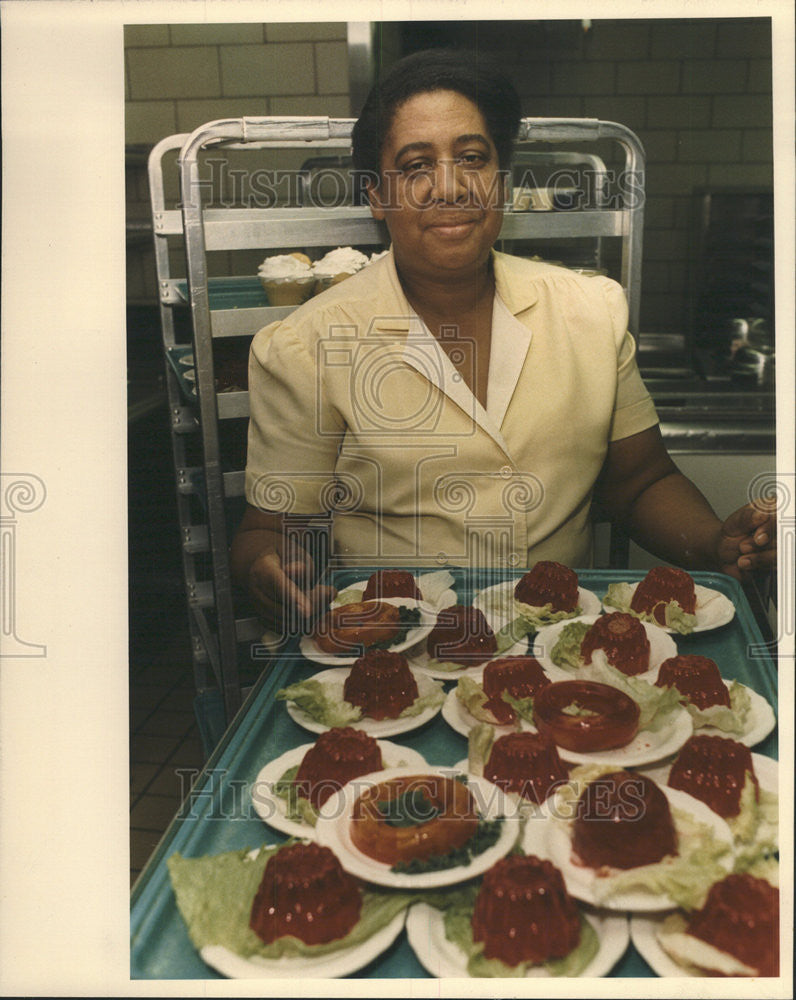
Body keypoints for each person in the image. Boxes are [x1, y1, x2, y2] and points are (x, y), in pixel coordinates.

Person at [230, 49, 776, 635]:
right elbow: (272, 529)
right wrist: (269, 570)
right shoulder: (305, 345)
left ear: (500, 180)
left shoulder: (589, 310)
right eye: (415, 165)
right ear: (376, 195)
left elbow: (640, 480)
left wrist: (714, 541)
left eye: (472, 158)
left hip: (558, 641)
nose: (449, 187)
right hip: (395, 651)